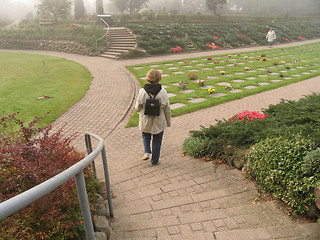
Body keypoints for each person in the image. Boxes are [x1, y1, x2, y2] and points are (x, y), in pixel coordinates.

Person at [135, 69, 171, 166]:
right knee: (157, 140)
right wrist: (168, 122)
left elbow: (137, 107)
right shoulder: (163, 92)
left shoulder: (142, 91)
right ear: (159, 78)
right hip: (158, 120)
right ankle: (154, 161)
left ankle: (147, 151)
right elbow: (167, 108)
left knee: (145, 135)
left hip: (145, 119)